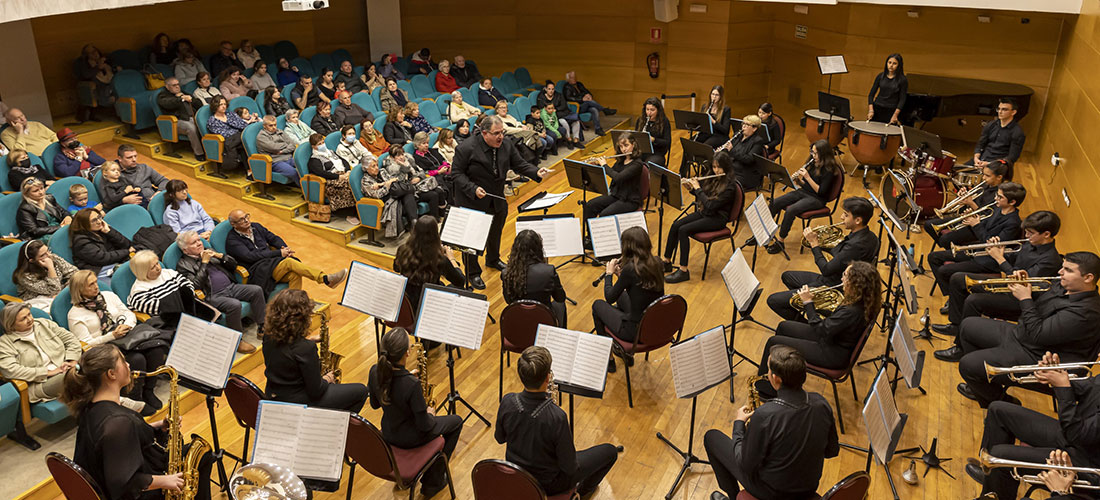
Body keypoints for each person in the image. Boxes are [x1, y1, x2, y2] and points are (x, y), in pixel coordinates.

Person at [63, 344, 216, 500]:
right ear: (111, 374)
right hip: (133, 493)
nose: (128, 364)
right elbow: (124, 483)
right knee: (202, 459)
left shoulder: (91, 407)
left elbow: (112, 445)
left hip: (114, 478)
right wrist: (167, 481)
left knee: (200, 456)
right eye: (123, 360)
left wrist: (157, 426)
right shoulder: (118, 423)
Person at [956, 252, 1100, 408]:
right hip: (1023, 335)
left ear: (1088, 278)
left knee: (967, 365)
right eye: (1062, 267)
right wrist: (1025, 283)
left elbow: (1038, 335)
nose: (1060, 272)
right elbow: (1040, 302)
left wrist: (1025, 298)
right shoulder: (1065, 285)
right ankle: (985, 386)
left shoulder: (1086, 312)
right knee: (967, 326)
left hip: (1038, 355)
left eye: (1068, 270)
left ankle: (1002, 403)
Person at [703, 345, 839, 500]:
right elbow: (831, 451)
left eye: (768, 369)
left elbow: (745, 465)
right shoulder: (821, 403)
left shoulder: (766, 415)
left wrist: (739, 424)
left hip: (773, 494)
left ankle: (734, 496)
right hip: (808, 489)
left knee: (711, 437)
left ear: (776, 378)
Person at [965, 350, 1100, 499]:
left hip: (1086, 463)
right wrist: (1056, 375)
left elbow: (1076, 433)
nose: (1098, 353)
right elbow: (1088, 387)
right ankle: (991, 479)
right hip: (1078, 439)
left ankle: (996, 484)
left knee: (1001, 456)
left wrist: (1062, 387)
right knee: (998, 410)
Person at [933, 212, 1063, 357]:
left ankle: (962, 349)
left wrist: (1000, 259)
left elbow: (1022, 283)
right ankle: (956, 326)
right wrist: (999, 250)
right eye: (1026, 231)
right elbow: (1013, 259)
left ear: (1046, 234)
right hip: (1008, 286)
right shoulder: (1031, 243)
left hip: (1021, 300)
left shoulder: (1051, 259)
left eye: (1030, 233)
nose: (1026, 235)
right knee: (958, 279)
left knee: (973, 301)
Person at [496, 346, 619, 497]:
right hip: (549, 484)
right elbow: (569, 468)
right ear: (547, 378)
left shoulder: (507, 401)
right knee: (610, 452)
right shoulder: (556, 417)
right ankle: (583, 492)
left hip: (517, 474)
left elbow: (500, 438)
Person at [755, 262, 881, 398]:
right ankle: (785, 375)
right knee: (783, 326)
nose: (841, 279)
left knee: (773, 342)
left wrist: (808, 303)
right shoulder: (864, 301)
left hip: (832, 353)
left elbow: (821, 330)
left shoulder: (851, 311)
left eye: (845, 276)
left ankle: (768, 389)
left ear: (855, 284)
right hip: (834, 339)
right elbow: (831, 326)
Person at [451, 116, 550, 289]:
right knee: (473, 240)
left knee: (496, 232)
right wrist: (472, 188)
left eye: (502, 132)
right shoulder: (466, 148)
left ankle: (493, 259)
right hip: (472, 200)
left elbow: (519, 164)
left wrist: (536, 172)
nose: (500, 137)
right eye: (496, 133)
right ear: (484, 133)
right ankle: (473, 273)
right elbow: (457, 174)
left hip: (496, 198)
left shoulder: (505, 145)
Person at [368, 328, 461, 497]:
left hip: (388, 432)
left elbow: (375, 404)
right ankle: (433, 481)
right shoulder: (411, 385)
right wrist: (431, 413)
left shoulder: (375, 371)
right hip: (411, 438)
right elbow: (424, 425)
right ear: (407, 353)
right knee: (456, 422)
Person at [66, 271, 166, 414]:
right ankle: (135, 399)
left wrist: (126, 325)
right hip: (104, 350)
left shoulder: (108, 296)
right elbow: (86, 344)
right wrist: (111, 336)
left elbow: (128, 313)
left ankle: (148, 390)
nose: (97, 286)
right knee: (137, 359)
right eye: (91, 285)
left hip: (126, 338)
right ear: (79, 289)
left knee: (156, 349)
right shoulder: (75, 314)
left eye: (96, 282)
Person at [766, 197, 879, 321]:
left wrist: (814, 244)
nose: (841, 217)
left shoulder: (856, 245)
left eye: (846, 215)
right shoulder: (871, 236)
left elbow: (826, 269)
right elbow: (840, 254)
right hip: (837, 277)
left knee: (773, 301)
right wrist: (821, 241)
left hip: (832, 285)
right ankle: (807, 304)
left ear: (858, 220)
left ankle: (807, 324)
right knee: (787, 276)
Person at [928, 182, 1026, 296]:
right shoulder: (997, 208)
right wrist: (973, 216)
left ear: (1012, 202)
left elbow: (991, 245)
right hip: (976, 251)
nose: (995, 198)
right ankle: (951, 294)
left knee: (944, 271)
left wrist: (976, 225)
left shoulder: (1013, 223)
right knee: (933, 257)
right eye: (996, 195)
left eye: (1000, 197)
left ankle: (954, 297)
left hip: (987, 260)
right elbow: (985, 224)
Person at [593, 227, 664, 372]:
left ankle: (609, 359)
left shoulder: (630, 269)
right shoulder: (657, 262)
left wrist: (609, 274)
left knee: (597, 306)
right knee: (623, 297)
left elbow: (609, 298)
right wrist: (621, 277)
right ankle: (620, 347)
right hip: (653, 324)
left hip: (635, 332)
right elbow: (639, 288)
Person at [225, 209, 347, 293]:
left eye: (246, 216)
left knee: (294, 275)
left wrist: (283, 247)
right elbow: (251, 257)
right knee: (289, 263)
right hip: (257, 271)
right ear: (233, 224)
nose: (246, 220)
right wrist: (278, 253)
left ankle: (293, 307)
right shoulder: (232, 240)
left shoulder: (256, 226)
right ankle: (325, 278)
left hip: (271, 264)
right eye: (241, 220)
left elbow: (273, 238)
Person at [663, 152, 740, 284]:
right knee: (676, 224)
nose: (716, 170)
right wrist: (691, 188)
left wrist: (698, 188)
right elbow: (704, 197)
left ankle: (683, 271)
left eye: (719, 167)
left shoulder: (730, 187)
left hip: (717, 219)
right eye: (714, 167)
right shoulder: (714, 178)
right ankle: (666, 262)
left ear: (726, 167)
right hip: (706, 213)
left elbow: (710, 205)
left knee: (683, 230)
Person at [175, 230, 266, 336]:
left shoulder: (208, 250)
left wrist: (219, 256)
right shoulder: (183, 265)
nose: (199, 243)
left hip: (231, 287)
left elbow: (234, 265)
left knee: (256, 290)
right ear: (186, 251)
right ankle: (237, 339)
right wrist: (204, 263)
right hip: (212, 296)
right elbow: (196, 285)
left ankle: (262, 325)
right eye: (194, 243)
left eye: (199, 240)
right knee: (234, 305)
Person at [127, 250, 230, 334]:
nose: (158, 268)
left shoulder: (168, 273)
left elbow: (188, 285)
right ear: (142, 272)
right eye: (152, 267)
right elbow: (158, 308)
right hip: (168, 320)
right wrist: (179, 296)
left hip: (188, 309)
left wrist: (179, 297)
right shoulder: (139, 290)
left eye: (157, 263)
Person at [765, 140, 839, 254]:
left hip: (817, 199)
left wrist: (808, 177)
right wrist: (798, 181)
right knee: (776, 202)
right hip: (804, 192)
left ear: (824, 154)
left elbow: (821, 192)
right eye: (812, 152)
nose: (813, 156)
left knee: (791, 210)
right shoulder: (812, 163)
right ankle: (766, 233)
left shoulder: (829, 169)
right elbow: (806, 186)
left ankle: (780, 241)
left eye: (815, 153)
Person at [0, 302, 82, 404]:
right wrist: (47, 372)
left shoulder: (44, 324)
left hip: (67, 367)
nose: (30, 320)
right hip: (41, 383)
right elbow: (11, 370)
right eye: (23, 319)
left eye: (29, 314)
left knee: (96, 362)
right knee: (78, 376)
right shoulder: (5, 343)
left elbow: (71, 339)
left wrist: (71, 360)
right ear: (11, 324)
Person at [923, 162, 1007, 249]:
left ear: (999, 177)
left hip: (979, 226)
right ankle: (950, 249)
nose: (983, 178)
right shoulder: (985, 185)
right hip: (968, 217)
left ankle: (952, 251)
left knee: (945, 239)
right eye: (983, 174)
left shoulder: (1001, 195)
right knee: (929, 225)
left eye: (987, 176)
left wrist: (971, 203)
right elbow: (973, 199)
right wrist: (964, 194)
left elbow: (989, 215)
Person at [393, 215, 466, 307]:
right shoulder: (440, 259)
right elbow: (460, 281)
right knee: (458, 289)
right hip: (429, 303)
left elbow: (396, 268)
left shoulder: (402, 250)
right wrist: (452, 259)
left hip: (406, 302)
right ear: (435, 234)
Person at [502, 231, 568, 327]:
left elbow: (508, 301)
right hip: (544, 321)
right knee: (560, 305)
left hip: (518, 322)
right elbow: (560, 297)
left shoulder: (506, 273)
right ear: (538, 248)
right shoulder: (548, 271)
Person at [583, 134, 644, 233]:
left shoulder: (637, 164)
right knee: (590, 205)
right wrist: (599, 166)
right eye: (621, 146)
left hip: (630, 200)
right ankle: (590, 238)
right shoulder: (621, 160)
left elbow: (618, 177)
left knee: (604, 214)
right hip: (617, 195)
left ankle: (604, 238)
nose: (623, 149)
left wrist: (605, 165)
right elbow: (612, 172)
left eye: (626, 145)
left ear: (634, 145)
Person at [384, 143, 445, 219]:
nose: (402, 157)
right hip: (410, 191)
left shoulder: (408, 160)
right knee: (433, 195)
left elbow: (421, 171)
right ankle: (434, 220)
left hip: (419, 185)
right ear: (392, 158)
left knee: (439, 190)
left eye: (402, 154)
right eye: (398, 156)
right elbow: (399, 183)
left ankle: (441, 216)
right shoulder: (391, 168)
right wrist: (403, 166)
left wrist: (419, 177)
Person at [305, 133, 357, 222]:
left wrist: (348, 171)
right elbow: (322, 173)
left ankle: (361, 208)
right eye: (319, 144)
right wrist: (339, 176)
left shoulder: (331, 152)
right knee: (348, 186)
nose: (323, 145)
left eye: (323, 142)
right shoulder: (314, 159)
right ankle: (349, 213)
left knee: (356, 180)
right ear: (313, 146)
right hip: (330, 180)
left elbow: (343, 161)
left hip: (343, 174)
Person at [71, 208, 134, 281]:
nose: (99, 221)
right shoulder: (80, 241)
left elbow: (127, 244)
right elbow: (103, 258)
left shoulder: (101, 230)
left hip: (114, 264)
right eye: (94, 220)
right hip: (99, 272)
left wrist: (109, 232)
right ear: (84, 224)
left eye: (99, 217)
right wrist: (127, 251)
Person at [971, 97, 1026, 180]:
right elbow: (980, 144)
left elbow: (1012, 158)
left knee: (981, 184)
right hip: (982, 160)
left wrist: (989, 164)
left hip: (998, 165)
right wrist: (976, 158)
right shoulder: (990, 125)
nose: (1000, 112)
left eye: (1004, 109)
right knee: (957, 172)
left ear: (1013, 112)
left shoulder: (1018, 133)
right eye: (999, 109)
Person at [14, 239, 77, 310]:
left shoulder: (52, 257)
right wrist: (51, 268)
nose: (49, 255)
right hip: (37, 303)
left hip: (56, 295)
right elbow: (54, 290)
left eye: (48, 250)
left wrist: (65, 289)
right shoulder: (25, 276)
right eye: (43, 255)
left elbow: (75, 273)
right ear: (32, 261)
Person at [155, 77, 206, 161]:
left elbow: (199, 104)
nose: (177, 87)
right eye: (174, 85)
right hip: (176, 121)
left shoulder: (183, 93)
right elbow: (168, 104)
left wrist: (189, 99)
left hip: (192, 117)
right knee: (191, 127)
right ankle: (199, 153)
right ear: (167, 87)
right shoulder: (163, 95)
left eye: (178, 84)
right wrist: (181, 99)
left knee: (203, 123)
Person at [716, 115, 767, 190]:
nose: (743, 126)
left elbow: (748, 159)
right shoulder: (738, 135)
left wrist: (731, 150)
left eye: (747, 125)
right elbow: (729, 152)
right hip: (732, 168)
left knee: (724, 184)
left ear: (754, 128)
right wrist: (722, 151)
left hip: (745, 174)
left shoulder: (758, 141)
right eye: (743, 124)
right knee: (713, 177)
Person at [361, 157, 409, 237]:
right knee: (409, 198)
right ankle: (413, 224)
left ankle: (413, 224)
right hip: (383, 203)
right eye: (373, 166)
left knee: (409, 197)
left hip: (395, 196)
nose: (377, 168)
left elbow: (394, 180)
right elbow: (377, 195)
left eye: (377, 165)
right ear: (366, 169)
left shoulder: (382, 172)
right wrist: (386, 186)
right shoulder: (365, 181)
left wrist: (382, 184)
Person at [17, 177, 70, 242]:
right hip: (40, 237)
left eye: (42, 188)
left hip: (58, 230)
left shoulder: (49, 198)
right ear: (26, 194)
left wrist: (67, 217)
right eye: (35, 191)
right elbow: (34, 231)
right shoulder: (25, 209)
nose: (41, 192)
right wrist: (60, 227)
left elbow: (63, 212)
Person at [563, 71, 615, 135]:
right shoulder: (567, 87)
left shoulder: (579, 84)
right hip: (577, 107)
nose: (574, 79)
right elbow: (569, 98)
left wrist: (589, 95)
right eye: (572, 78)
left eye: (575, 77)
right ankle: (604, 110)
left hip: (585, 104)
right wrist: (582, 99)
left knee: (594, 110)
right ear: (568, 79)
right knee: (588, 102)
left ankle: (598, 129)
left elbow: (587, 91)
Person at [205, 95, 249, 171]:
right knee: (243, 143)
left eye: (225, 104)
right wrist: (237, 130)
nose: (224, 106)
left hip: (236, 140)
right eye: (221, 104)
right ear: (215, 106)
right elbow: (224, 134)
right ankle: (249, 170)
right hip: (228, 140)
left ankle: (248, 170)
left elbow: (243, 124)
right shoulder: (212, 121)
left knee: (244, 142)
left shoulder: (231, 114)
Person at [255, 115, 303, 185]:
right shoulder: (261, 137)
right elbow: (274, 147)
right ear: (264, 126)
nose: (274, 127)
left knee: (304, 166)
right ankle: (306, 192)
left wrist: (283, 150)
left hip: (288, 157)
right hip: (276, 161)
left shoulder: (280, 131)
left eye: (275, 125)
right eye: (270, 125)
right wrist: (286, 144)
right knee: (293, 172)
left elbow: (292, 144)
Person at [866, 53, 908, 125]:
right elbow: (871, 95)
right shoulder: (880, 76)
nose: (891, 65)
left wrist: (895, 115)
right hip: (877, 109)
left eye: (894, 63)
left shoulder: (902, 80)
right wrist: (871, 110)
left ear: (899, 65)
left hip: (891, 111)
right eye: (889, 62)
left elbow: (902, 99)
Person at [75, 46, 116, 113]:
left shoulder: (106, 61)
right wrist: (98, 67)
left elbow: (113, 71)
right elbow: (86, 75)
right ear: (87, 56)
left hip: (113, 84)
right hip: (101, 89)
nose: (94, 53)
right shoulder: (86, 65)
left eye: (95, 51)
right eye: (91, 53)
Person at [634, 97, 672, 166]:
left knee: (646, 165)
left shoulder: (664, 122)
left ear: (658, 111)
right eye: (647, 109)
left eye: (652, 110)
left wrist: (654, 140)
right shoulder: (640, 120)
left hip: (657, 153)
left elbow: (667, 142)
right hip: (641, 152)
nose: (649, 112)